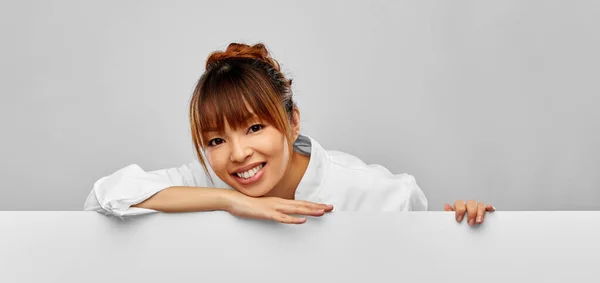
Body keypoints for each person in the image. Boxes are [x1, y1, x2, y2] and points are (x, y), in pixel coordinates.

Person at [84, 42, 495, 226]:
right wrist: (230, 202)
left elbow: (422, 274)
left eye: (255, 127)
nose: (237, 153)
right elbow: (108, 195)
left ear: (293, 121)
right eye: (215, 140)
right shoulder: (206, 181)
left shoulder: (367, 189)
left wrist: (463, 225)